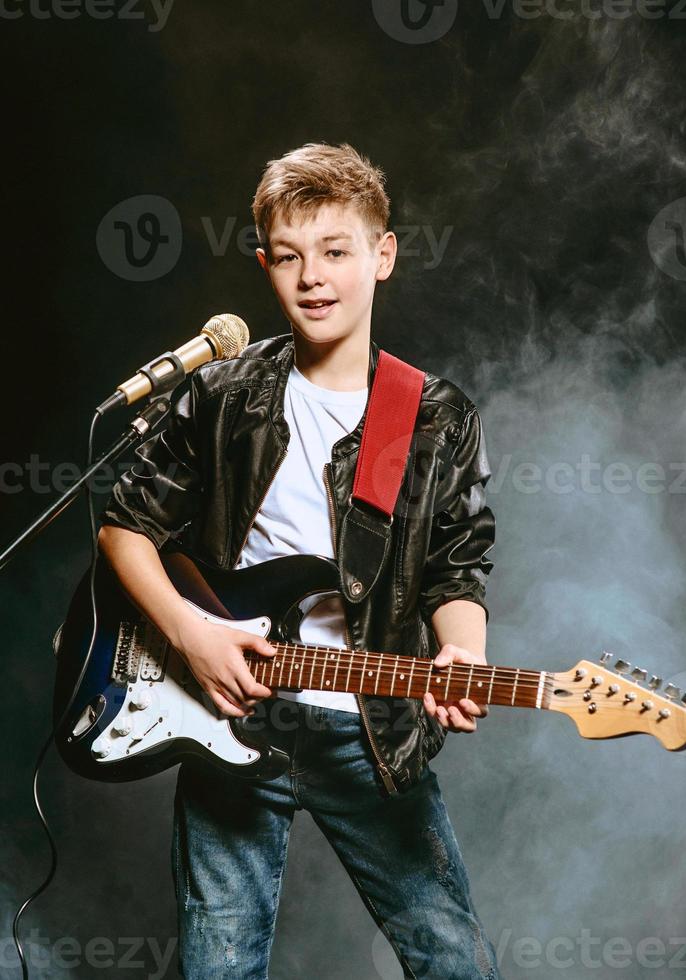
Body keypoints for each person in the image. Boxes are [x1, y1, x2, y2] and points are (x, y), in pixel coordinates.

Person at [98, 142, 501, 979]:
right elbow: (123, 525)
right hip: (234, 720)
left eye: (335, 251)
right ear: (264, 265)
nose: (311, 277)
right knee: (220, 968)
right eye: (288, 257)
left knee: (454, 962)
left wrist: (464, 651)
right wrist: (190, 634)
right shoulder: (222, 394)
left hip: (373, 730)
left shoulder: (429, 417)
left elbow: (455, 570)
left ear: (382, 256)